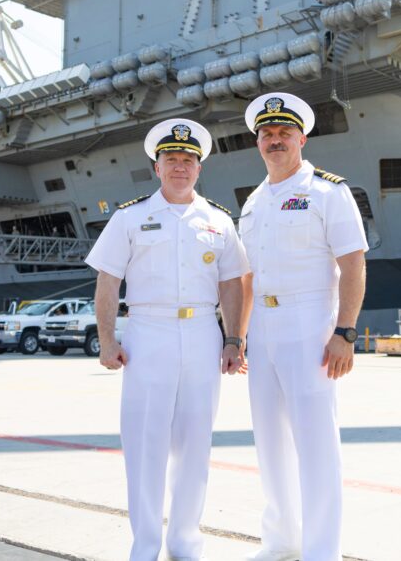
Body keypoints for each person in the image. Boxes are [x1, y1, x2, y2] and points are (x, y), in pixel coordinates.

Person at [86, 118, 249, 561]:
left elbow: (232, 283)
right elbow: (107, 281)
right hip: (147, 333)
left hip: (202, 334)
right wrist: (107, 340)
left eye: (188, 160)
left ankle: (184, 542)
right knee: (145, 443)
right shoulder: (130, 217)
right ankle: (145, 545)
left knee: (196, 443)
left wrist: (234, 339)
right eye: (171, 159)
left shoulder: (218, 220)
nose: (180, 166)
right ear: (156, 167)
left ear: (199, 168)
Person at [238, 92, 368, 561]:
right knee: (270, 442)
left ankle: (321, 551)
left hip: (309, 321)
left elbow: (353, 264)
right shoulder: (253, 202)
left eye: (284, 133)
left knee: (315, 443)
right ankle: (282, 543)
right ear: (258, 142)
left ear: (302, 139)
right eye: (267, 134)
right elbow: (247, 277)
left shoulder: (328, 192)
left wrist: (345, 332)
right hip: (263, 328)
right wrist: (238, 336)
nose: (275, 140)